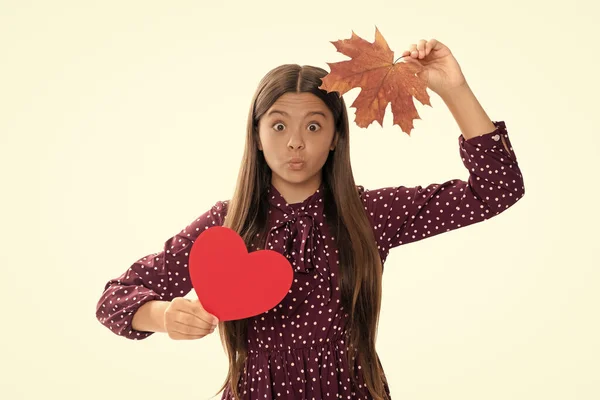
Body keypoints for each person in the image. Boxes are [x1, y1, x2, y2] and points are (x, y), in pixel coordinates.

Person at [96, 38, 525, 400]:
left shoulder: (368, 215)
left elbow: (497, 189)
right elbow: (114, 298)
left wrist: (455, 89)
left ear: (337, 137)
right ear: (257, 137)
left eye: (314, 126)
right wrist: (162, 315)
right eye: (279, 126)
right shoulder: (226, 225)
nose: (296, 142)